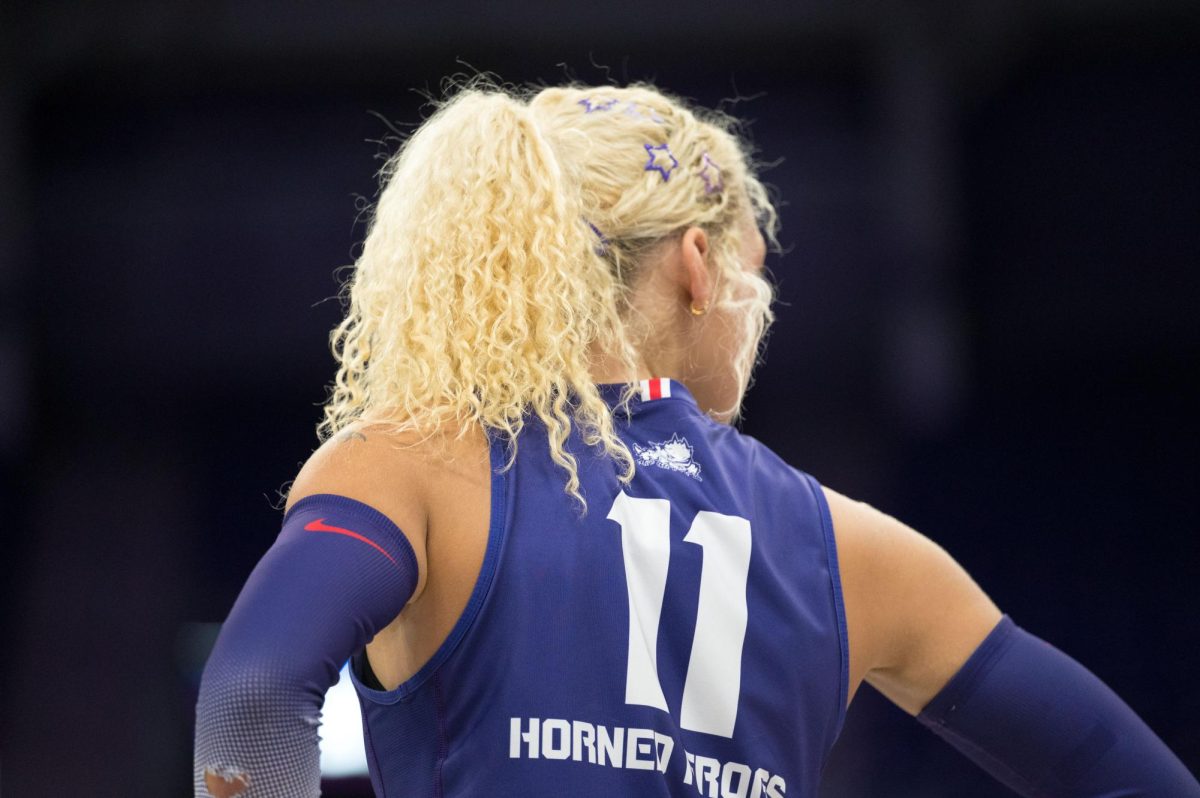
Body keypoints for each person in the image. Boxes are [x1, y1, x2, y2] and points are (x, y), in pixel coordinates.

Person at [193, 81, 1198, 797]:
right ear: (698, 264)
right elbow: (1119, 774)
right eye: (757, 278)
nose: (760, 313)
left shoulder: (413, 464)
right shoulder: (856, 552)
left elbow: (251, 697)